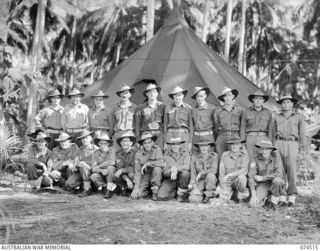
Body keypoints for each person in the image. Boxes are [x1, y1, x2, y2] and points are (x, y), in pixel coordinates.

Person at [273, 95, 307, 207]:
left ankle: (291, 196)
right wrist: (273, 147)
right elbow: (273, 134)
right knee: (280, 170)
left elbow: (302, 135)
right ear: (281, 104)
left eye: (288, 102)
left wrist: (302, 150)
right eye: (283, 102)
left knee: (291, 171)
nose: (286, 104)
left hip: (292, 144)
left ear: (292, 104)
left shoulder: (299, 117)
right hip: (279, 143)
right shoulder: (277, 117)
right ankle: (282, 196)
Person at [248, 140, 286, 210]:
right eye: (262, 148)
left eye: (267, 149)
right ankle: (267, 198)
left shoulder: (276, 158)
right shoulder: (255, 158)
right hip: (263, 184)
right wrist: (253, 195)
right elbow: (251, 176)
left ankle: (274, 199)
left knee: (277, 180)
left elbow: (279, 174)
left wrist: (263, 178)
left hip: (274, 183)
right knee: (253, 204)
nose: (264, 151)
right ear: (260, 149)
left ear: (271, 149)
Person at [240, 90, 273, 161]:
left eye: (260, 99)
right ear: (253, 100)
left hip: (263, 138)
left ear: (263, 100)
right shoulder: (246, 112)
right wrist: (242, 143)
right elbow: (242, 128)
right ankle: (251, 172)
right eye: (256, 98)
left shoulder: (268, 112)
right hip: (250, 138)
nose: (258, 101)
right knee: (250, 159)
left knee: (262, 159)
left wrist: (269, 142)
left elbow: (271, 129)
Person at [131, 132, 165, 201]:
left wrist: (148, 164)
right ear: (142, 144)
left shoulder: (157, 149)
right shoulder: (138, 154)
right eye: (145, 143)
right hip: (145, 175)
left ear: (152, 142)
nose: (147, 145)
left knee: (157, 169)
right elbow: (137, 172)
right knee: (136, 196)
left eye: (149, 142)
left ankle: (155, 191)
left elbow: (161, 163)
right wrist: (136, 187)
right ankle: (148, 191)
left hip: (155, 175)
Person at [65, 130, 98, 197]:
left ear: (90, 138)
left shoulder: (96, 149)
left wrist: (86, 165)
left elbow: (98, 164)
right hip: (81, 172)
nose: (84, 140)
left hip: (93, 171)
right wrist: (76, 165)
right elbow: (75, 161)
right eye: (82, 138)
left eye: (86, 138)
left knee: (83, 166)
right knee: (69, 184)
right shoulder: (79, 150)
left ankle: (87, 188)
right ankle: (84, 185)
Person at [214, 87, 243, 163]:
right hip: (222, 137)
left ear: (233, 96)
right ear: (223, 98)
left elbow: (242, 126)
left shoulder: (239, 110)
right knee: (221, 160)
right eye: (225, 96)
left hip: (234, 137)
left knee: (235, 160)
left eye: (229, 95)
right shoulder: (218, 111)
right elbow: (216, 126)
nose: (227, 98)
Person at [157, 137, 191, 202]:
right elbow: (164, 172)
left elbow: (188, 166)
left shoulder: (185, 154)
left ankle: (181, 194)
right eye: (173, 144)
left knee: (185, 173)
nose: (175, 146)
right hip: (170, 179)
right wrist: (171, 170)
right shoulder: (166, 156)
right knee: (160, 196)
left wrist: (176, 169)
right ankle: (175, 193)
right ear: (170, 145)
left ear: (180, 145)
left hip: (182, 179)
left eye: (177, 144)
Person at [135, 80, 166, 149]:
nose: (152, 94)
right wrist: (138, 139)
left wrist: (165, 138)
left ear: (157, 93)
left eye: (154, 92)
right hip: (146, 134)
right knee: (146, 155)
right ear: (146, 94)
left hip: (159, 135)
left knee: (159, 154)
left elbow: (165, 123)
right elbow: (137, 124)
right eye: (150, 92)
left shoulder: (162, 106)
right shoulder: (141, 107)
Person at [219, 137, 249, 203]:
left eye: (236, 144)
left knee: (242, 177)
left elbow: (244, 170)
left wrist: (231, 174)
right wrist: (222, 184)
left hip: (238, 181)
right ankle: (232, 194)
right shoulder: (224, 155)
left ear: (240, 145)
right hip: (228, 182)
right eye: (232, 144)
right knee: (223, 199)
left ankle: (240, 197)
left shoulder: (244, 155)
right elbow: (221, 172)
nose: (234, 146)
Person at [164, 86, 193, 152]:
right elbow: (165, 125)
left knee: (184, 154)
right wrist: (164, 142)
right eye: (175, 95)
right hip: (171, 134)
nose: (177, 98)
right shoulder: (168, 108)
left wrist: (190, 142)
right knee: (170, 155)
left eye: (179, 95)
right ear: (173, 97)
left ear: (183, 96)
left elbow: (191, 126)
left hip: (184, 134)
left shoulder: (188, 108)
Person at [188, 139, 218, 203]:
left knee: (210, 175)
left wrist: (202, 173)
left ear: (209, 147)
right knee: (193, 199)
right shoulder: (194, 157)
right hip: (200, 181)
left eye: (206, 146)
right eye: (202, 146)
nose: (204, 148)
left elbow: (214, 170)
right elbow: (193, 173)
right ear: (199, 147)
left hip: (210, 181)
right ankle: (201, 195)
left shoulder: (214, 156)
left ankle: (209, 195)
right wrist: (192, 184)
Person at [90, 132, 117, 199]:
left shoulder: (112, 150)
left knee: (110, 168)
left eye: (105, 143)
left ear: (108, 144)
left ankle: (109, 190)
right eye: (101, 143)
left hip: (113, 173)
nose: (103, 145)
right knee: (93, 176)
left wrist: (100, 166)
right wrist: (101, 170)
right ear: (98, 144)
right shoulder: (95, 153)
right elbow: (93, 168)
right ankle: (105, 186)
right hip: (103, 174)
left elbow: (112, 162)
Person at [191, 86, 216, 152]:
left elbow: (216, 125)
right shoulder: (193, 109)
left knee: (209, 157)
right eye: (197, 96)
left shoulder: (212, 108)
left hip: (207, 137)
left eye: (201, 96)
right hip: (196, 138)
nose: (199, 98)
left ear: (205, 96)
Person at [114, 131, 137, 196]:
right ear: (121, 143)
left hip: (133, 174)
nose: (125, 143)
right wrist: (127, 180)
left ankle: (134, 188)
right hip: (124, 176)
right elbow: (119, 168)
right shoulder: (118, 153)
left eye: (127, 141)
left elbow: (135, 168)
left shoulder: (136, 152)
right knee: (115, 175)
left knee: (131, 174)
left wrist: (122, 170)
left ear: (131, 143)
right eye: (123, 141)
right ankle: (124, 187)